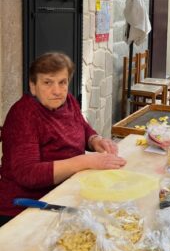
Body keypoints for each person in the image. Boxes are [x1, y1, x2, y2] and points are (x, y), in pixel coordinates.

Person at [0, 52, 126, 226]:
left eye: (62, 82)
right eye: (47, 82)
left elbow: (82, 126)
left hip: (65, 192)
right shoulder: (24, 115)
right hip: (25, 208)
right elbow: (27, 174)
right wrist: (84, 161)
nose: (57, 91)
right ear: (33, 86)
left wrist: (94, 140)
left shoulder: (68, 101)